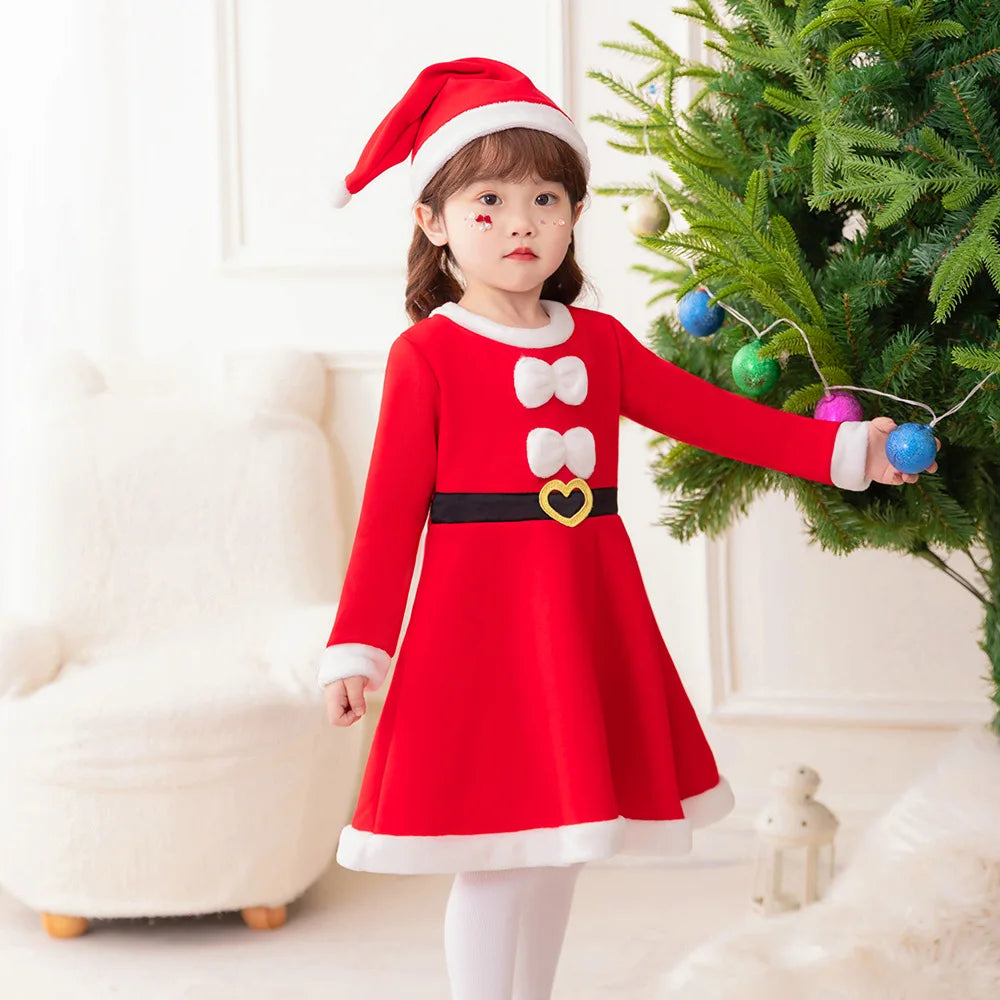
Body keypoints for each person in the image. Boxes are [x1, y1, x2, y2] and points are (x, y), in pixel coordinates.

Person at [316, 57, 938, 1000]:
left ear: (574, 215)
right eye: (488, 201)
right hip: (475, 624)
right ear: (433, 222)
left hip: (581, 609)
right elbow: (389, 513)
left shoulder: (598, 341)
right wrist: (360, 646)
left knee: (563, 843)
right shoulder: (427, 354)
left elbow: (714, 418)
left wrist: (847, 451)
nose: (521, 222)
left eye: (545, 198)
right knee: (496, 856)